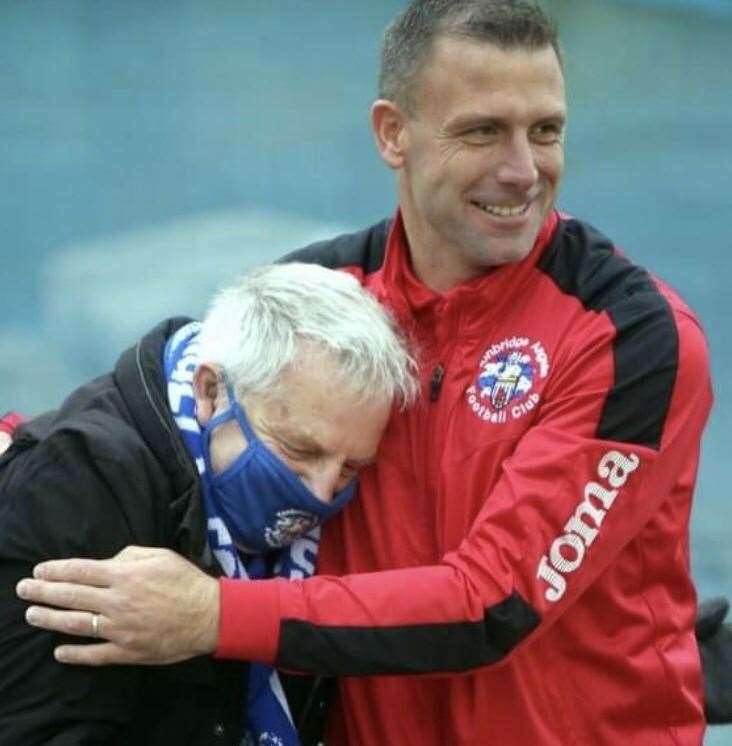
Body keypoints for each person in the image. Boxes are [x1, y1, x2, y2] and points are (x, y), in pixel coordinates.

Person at [8, 0, 720, 743]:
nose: (523, 170)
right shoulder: (329, 285)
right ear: (392, 133)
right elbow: (179, 392)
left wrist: (214, 616)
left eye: (546, 131)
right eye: (483, 131)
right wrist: (23, 447)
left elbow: (492, 604)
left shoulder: (630, 338)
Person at [0, 263, 417, 745]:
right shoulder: (80, 482)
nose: (321, 494)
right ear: (210, 390)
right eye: (300, 452)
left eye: (349, 469)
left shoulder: (345, 524)